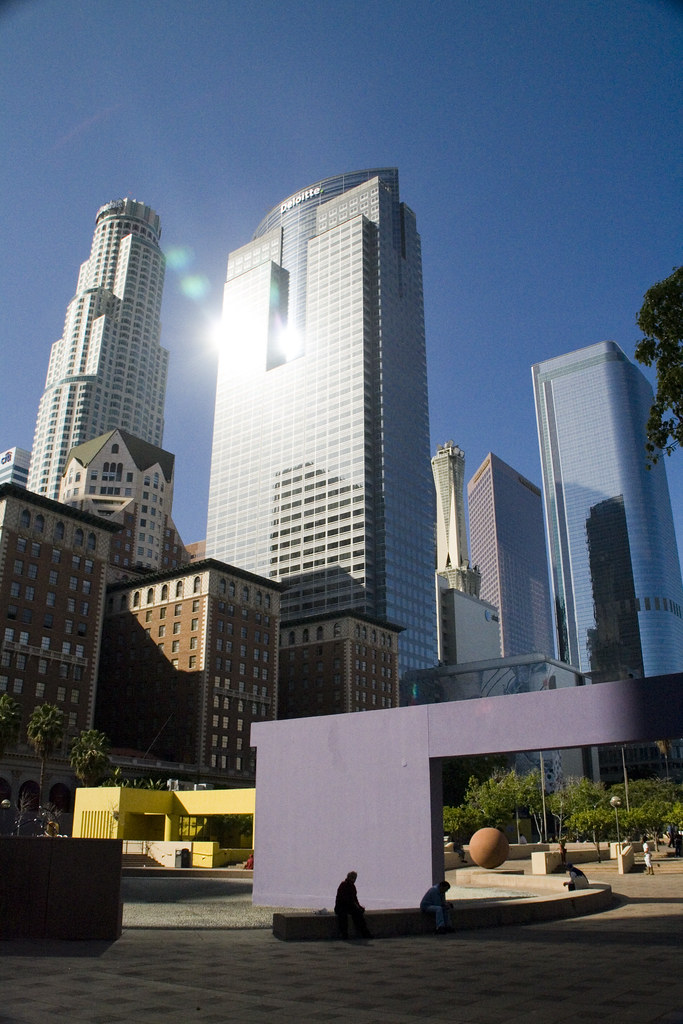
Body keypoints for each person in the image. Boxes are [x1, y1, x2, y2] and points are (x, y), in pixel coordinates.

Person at [334, 871, 372, 939]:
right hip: (341, 906)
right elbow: (344, 899)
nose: (353, 879)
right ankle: (344, 934)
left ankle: (365, 933)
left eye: (354, 878)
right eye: (352, 877)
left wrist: (359, 907)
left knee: (358, 914)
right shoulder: (343, 884)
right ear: (348, 877)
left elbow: (355, 899)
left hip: (349, 906)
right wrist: (354, 905)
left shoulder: (353, 887)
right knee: (343, 916)